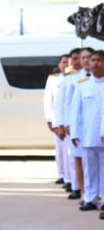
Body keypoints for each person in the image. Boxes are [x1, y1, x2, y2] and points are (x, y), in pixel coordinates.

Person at [56, 47, 93, 202]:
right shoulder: (71, 78)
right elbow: (66, 103)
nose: (83, 61)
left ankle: (91, 192)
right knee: (77, 158)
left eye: (86, 57)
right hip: (76, 124)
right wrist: (65, 124)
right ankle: (79, 189)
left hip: (93, 125)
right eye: (79, 58)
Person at [71, 50, 104, 219]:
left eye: (99, 60)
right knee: (89, 169)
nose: (96, 63)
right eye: (94, 60)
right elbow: (76, 111)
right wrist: (75, 133)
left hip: (103, 136)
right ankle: (90, 199)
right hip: (88, 135)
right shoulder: (83, 84)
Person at [44, 54, 70, 187]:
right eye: (63, 62)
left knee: (69, 152)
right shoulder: (53, 79)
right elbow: (48, 101)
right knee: (60, 150)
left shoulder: (73, 79)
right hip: (56, 120)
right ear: (59, 64)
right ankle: (62, 174)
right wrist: (49, 119)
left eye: (68, 62)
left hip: (68, 122)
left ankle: (69, 178)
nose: (66, 65)